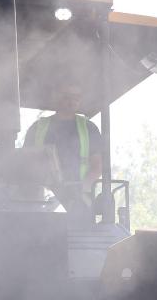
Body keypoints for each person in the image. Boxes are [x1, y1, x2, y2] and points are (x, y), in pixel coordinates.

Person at [22, 83, 103, 215]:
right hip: (41, 203)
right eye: (67, 96)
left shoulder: (89, 128)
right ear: (56, 97)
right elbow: (25, 163)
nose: (72, 100)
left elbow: (98, 166)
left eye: (77, 97)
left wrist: (80, 190)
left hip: (79, 205)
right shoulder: (37, 128)